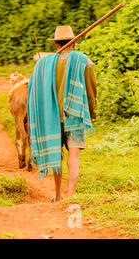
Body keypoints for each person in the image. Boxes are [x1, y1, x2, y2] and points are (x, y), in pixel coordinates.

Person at [28, 25, 97, 201]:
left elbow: (36, 91)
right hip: (74, 114)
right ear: (73, 43)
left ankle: (58, 195)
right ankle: (71, 196)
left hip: (51, 117)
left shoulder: (43, 64)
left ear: (57, 45)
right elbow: (91, 89)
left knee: (56, 154)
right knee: (74, 156)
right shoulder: (84, 61)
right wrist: (91, 111)